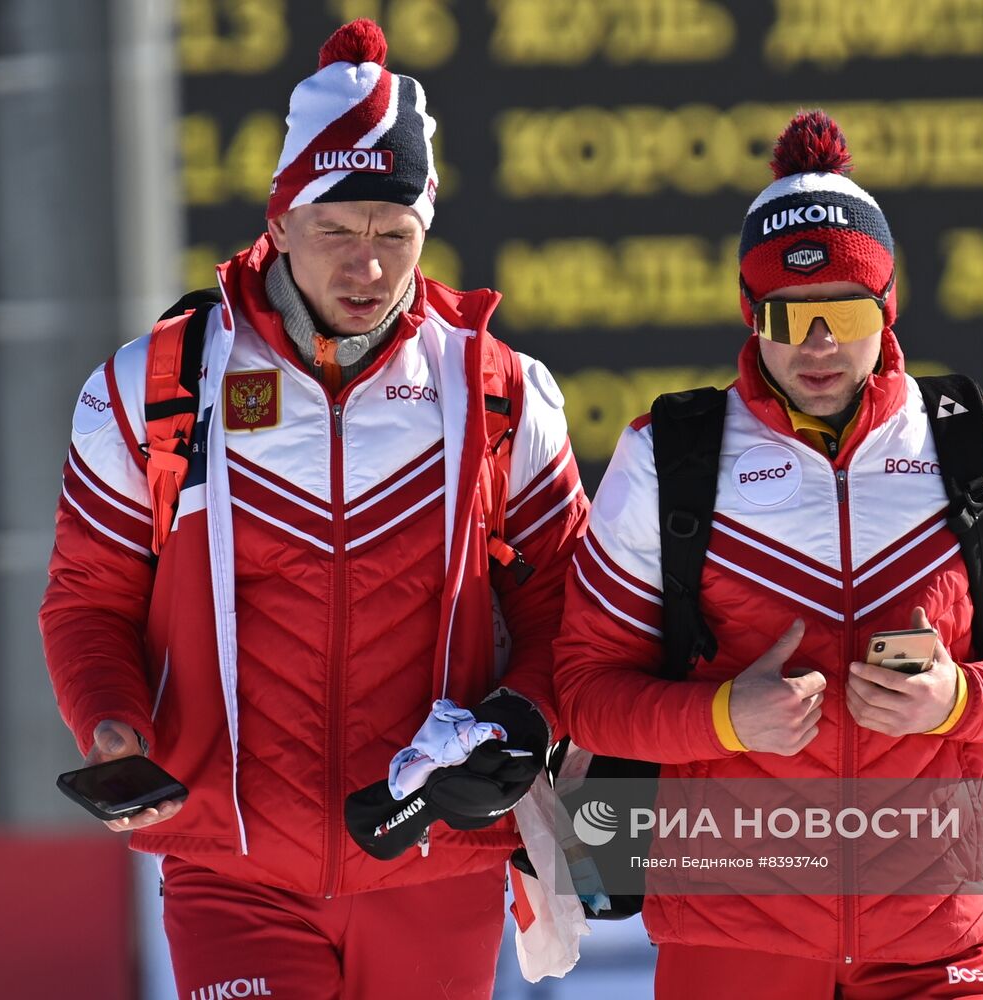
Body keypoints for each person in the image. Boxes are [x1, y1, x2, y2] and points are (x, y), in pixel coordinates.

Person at [39, 19, 586, 999]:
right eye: (335, 229)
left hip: (434, 860)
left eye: (393, 234)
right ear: (279, 219)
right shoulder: (155, 385)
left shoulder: (497, 389)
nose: (366, 266)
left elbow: (572, 615)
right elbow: (86, 598)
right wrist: (112, 726)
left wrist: (520, 719)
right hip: (230, 869)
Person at [553, 109, 983, 999]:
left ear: (885, 309)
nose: (817, 344)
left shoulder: (981, 445)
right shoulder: (669, 456)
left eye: (843, 312)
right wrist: (728, 717)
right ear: (750, 311)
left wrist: (957, 697)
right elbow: (586, 694)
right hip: (734, 936)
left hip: (935, 933)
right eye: (790, 313)